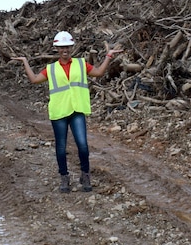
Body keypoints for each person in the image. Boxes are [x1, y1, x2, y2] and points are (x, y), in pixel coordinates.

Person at [11, 31, 123, 193]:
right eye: (61, 47)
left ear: (71, 47)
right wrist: (25, 62)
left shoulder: (81, 64)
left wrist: (108, 56)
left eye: (67, 47)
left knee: (83, 145)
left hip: (77, 109)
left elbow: (98, 73)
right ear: (57, 49)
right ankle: (64, 177)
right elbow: (34, 80)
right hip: (59, 112)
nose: (65, 50)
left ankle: (85, 175)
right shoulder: (51, 69)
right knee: (61, 147)